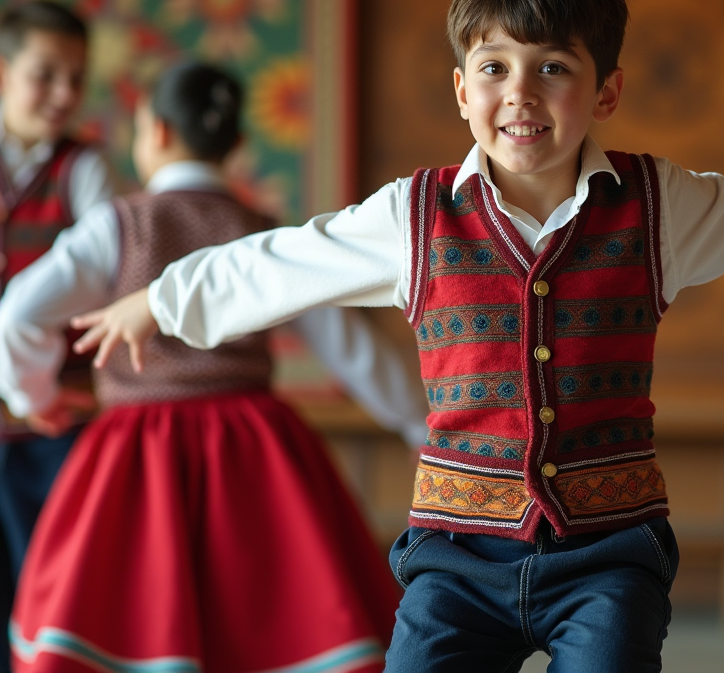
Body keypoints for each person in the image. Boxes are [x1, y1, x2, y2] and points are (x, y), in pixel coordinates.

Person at [70, 0, 724, 673]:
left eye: (553, 67)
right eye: (496, 66)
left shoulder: (658, 207)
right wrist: (160, 297)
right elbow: (283, 261)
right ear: (463, 90)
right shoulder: (415, 215)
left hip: (609, 553)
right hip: (452, 556)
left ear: (605, 92)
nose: (522, 92)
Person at [1, 60, 427, 673]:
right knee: (269, 625)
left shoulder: (119, 224)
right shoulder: (260, 232)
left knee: (122, 628)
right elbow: (351, 350)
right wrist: (421, 426)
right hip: (252, 448)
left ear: (158, 132)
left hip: (135, 448)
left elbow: (18, 314)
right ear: (237, 145)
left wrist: (34, 395)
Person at [0, 0, 117, 673]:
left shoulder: (85, 168)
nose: (64, 94)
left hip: (56, 422)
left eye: (76, 77)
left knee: (47, 593)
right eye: (46, 74)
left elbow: (104, 267)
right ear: (6, 73)